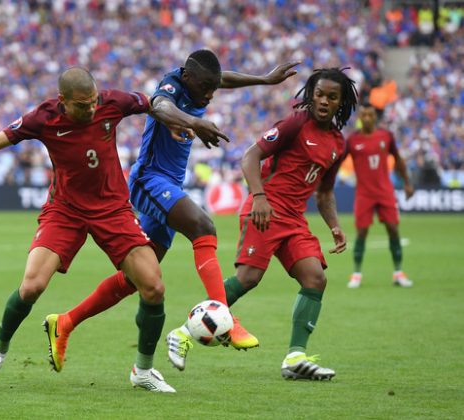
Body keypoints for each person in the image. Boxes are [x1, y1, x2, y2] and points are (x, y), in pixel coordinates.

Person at [0, 67, 211, 393]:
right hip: (65, 211)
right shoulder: (42, 118)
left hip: (112, 209)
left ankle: (142, 371)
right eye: (83, 105)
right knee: (32, 286)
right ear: (63, 101)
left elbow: (154, 103)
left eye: (94, 101)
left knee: (153, 287)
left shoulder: (112, 102)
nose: (92, 109)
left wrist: (176, 122)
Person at [44, 50, 299, 374]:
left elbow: (222, 79)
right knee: (203, 226)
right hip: (149, 180)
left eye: (213, 88)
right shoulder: (172, 86)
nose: (210, 94)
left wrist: (264, 79)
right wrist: (193, 121)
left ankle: (65, 322)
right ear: (187, 77)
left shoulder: (200, 84)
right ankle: (225, 317)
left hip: (169, 183)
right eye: (205, 87)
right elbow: (160, 105)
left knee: (136, 280)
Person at [170, 67, 358, 380]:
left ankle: (295, 358)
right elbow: (250, 156)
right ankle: (182, 334)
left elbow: (324, 192)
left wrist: (334, 226)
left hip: (294, 219)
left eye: (332, 97)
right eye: (319, 94)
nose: (325, 101)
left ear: (342, 102)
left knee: (315, 278)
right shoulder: (296, 123)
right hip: (265, 209)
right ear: (311, 96)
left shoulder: (339, 144)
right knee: (248, 278)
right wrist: (259, 196)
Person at [346, 103, 415, 288]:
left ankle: (398, 273)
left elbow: (398, 159)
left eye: (370, 115)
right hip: (364, 193)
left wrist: (407, 183)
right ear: (359, 118)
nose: (367, 118)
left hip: (385, 192)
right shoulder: (352, 140)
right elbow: (336, 162)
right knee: (362, 232)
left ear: (375, 117)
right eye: (364, 115)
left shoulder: (386, 136)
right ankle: (356, 274)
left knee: (393, 229)